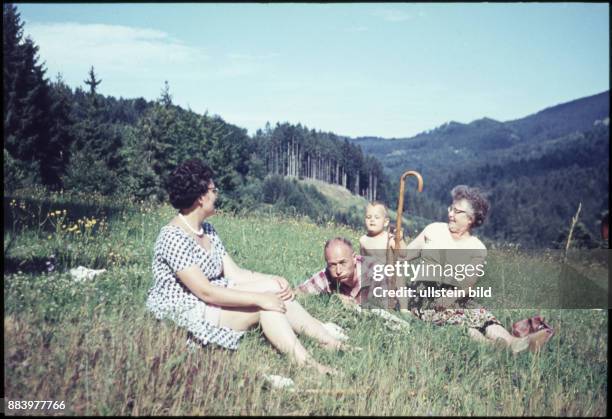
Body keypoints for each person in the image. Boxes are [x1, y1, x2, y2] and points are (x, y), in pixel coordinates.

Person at [146, 158, 349, 375]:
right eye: (214, 190)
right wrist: (259, 298)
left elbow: (234, 273)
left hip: (214, 295)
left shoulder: (207, 230)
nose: (217, 195)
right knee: (267, 306)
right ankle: (309, 366)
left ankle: (330, 342)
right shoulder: (173, 237)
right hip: (187, 310)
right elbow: (205, 292)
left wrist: (272, 279)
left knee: (275, 290)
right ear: (200, 197)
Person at [401, 185, 553, 353]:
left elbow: (468, 284)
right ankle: (495, 348)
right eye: (451, 208)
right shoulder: (433, 230)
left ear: (471, 219)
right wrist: (396, 244)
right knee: (456, 321)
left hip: (456, 297)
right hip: (423, 296)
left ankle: (514, 343)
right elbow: (404, 256)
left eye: (457, 212)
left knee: (482, 315)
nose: (451, 214)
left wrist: (450, 298)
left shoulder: (477, 248)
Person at [296, 237, 412, 330]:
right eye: (332, 265)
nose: (338, 271)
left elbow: (382, 310)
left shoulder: (375, 269)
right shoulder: (327, 274)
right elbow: (300, 292)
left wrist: (349, 304)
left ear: (354, 258)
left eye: (343, 262)